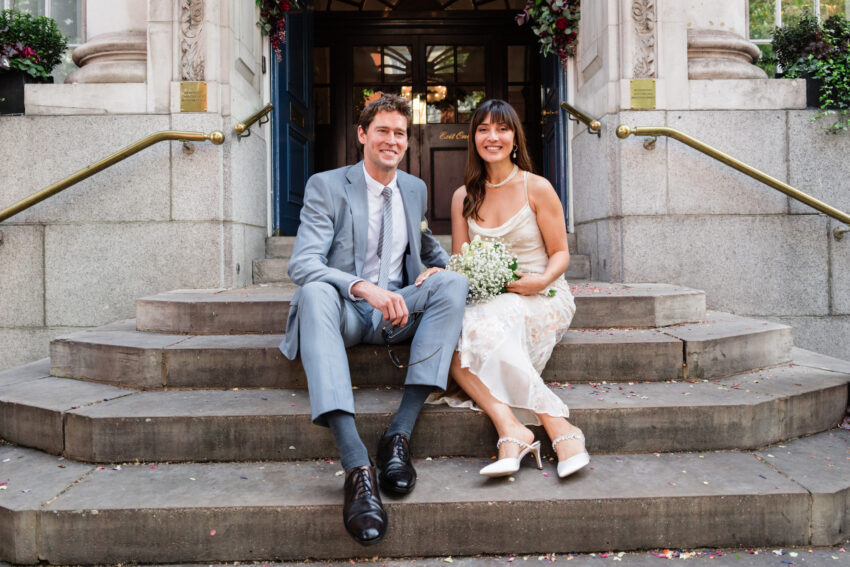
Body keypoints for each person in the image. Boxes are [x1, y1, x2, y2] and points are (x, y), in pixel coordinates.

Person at [280, 93, 468, 546]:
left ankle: (398, 437)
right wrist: (363, 287)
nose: (391, 140)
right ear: (362, 135)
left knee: (452, 285)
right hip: (346, 312)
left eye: (400, 133)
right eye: (381, 130)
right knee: (313, 292)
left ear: (407, 142)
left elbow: (425, 250)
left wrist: (450, 268)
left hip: (395, 315)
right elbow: (302, 262)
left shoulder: (414, 189)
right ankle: (357, 466)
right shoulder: (328, 185)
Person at [430, 99, 589, 479]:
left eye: (501, 129)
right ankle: (514, 426)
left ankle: (552, 427)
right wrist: (436, 275)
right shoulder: (463, 198)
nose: (492, 137)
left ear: (514, 138)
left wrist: (541, 281)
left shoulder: (537, 187)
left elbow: (561, 253)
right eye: (483, 129)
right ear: (474, 139)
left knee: (481, 330)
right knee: (449, 331)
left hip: (542, 294)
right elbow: (460, 263)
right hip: (492, 298)